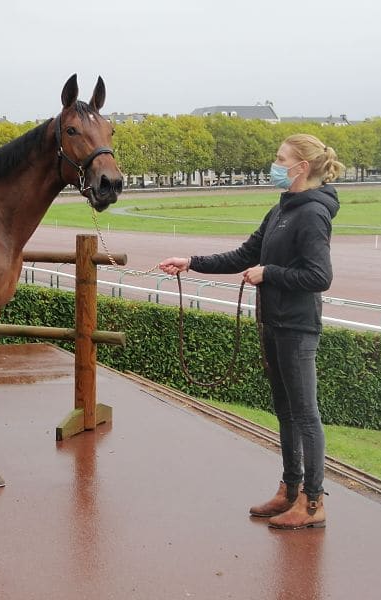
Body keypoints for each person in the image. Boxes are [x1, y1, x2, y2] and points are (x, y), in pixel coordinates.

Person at [159, 133, 344, 530]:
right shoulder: (283, 207)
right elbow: (245, 254)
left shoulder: (312, 213)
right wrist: (190, 261)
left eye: (280, 159)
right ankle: (290, 489)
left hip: (297, 327)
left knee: (305, 415)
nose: (274, 165)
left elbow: (319, 275)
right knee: (285, 411)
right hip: (274, 323)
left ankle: (313, 503)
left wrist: (269, 273)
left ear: (301, 167)